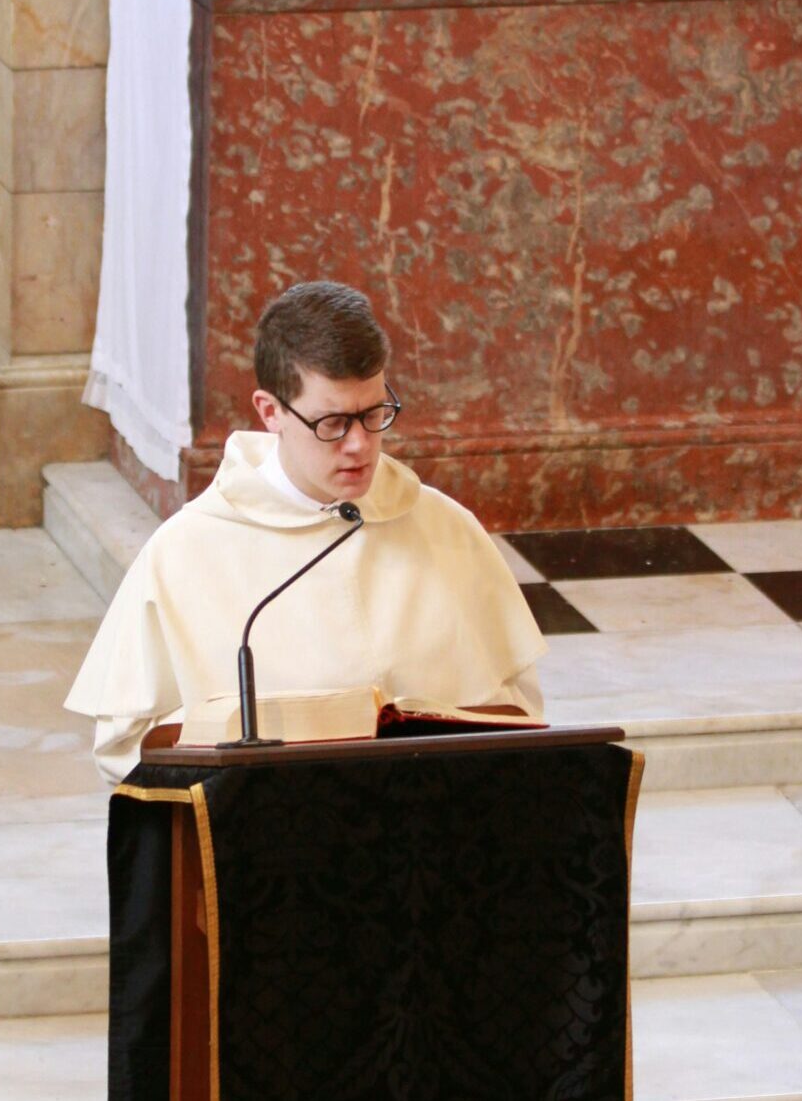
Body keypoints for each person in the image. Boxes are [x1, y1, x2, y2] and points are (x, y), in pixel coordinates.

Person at [64, 281, 547, 783]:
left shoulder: (445, 528)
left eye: (374, 414)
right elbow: (125, 747)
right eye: (333, 422)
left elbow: (518, 708)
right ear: (270, 411)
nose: (360, 445)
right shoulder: (186, 552)